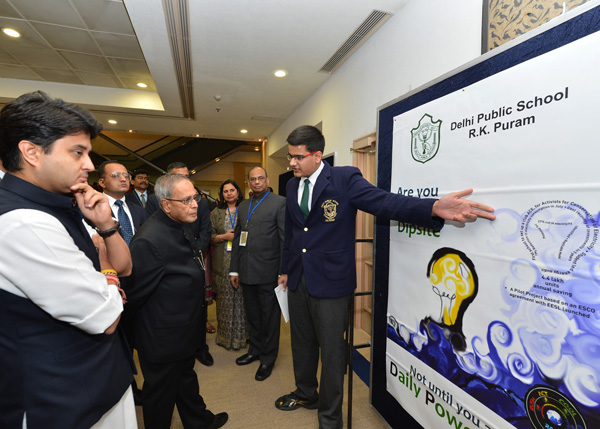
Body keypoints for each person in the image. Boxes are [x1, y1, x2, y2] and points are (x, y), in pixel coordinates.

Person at [275, 125, 496, 429]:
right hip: (299, 279)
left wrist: (432, 206)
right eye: (290, 156)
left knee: (332, 351)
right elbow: (293, 232)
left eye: (297, 157)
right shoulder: (291, 186)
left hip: (331, 282)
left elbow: (384, 202)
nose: (292, 163)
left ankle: (329, 418)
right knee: (301, 343)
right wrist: (286, 269)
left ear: (316, 155)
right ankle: (306, 392)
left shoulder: (344, 179)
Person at [0, 91, 136, 428]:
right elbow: (105, 314)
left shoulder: (60, 203)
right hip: (64, 400)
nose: (90, 165)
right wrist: (107, 276)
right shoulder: (23, 222)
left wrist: (105, 227)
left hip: (96, 381)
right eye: (78, 152)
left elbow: (125, 267)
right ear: (31, 151)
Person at [121, 173, 228, 429]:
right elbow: (132, 296)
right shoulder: (150, 240)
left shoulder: (181, 222)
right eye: (187, 200)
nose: (195, 205)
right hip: (162, 337)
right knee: (160, 396)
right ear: (166, 204)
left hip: (182, 328)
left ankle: (199, 421)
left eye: (196, 197)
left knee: (185, 379)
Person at [230, 167, 286, 381]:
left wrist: (283, 270)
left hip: (270, 272)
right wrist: (234, 269)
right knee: (252, 314)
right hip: (245, 271)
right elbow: (237, 239)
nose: (256, 182)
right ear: (248, 182)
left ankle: (268, 358)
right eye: (252, 179)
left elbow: (284, 239)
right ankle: (255, 350)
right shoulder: (243, 206)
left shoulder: (280, 203)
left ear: (267, 179)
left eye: (260, 178)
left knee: (269, 317)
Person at [166, 161, 215, 365]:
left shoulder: (200, 202)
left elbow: (205, 231)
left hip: (195, 259)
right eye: (180, 177)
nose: (186, 180)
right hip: (171, 262)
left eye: (187, 176)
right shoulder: (158, 201)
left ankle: (200, 347)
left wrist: (194, 253)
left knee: (200, 305)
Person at [211, 179, 248, 350]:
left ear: (238, 192)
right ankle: (225, 337)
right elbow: (208, 235)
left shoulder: (246, 209)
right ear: (222, 195)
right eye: (225, 191)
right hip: (222, 261)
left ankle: (242, 337)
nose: (229, 193)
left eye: (232, 190)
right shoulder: (216, 213)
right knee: (224, 301)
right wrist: (223, 237)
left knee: (242, 301)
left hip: (242, 260)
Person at [98, 160, 147, 243]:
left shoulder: (139, 210)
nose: (123, 179)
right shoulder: (92, 210)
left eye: (126, 176)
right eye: (116, 175)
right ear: (102, 182)